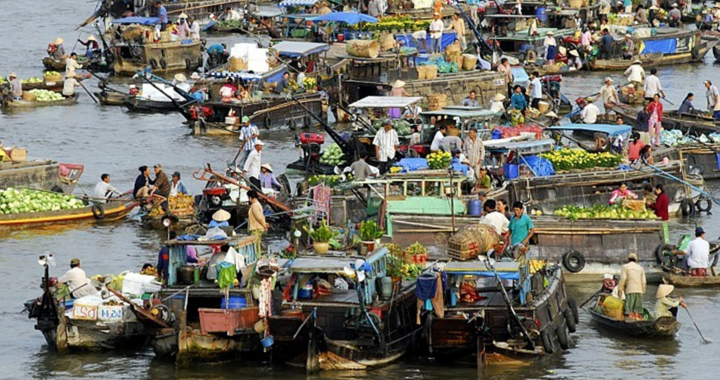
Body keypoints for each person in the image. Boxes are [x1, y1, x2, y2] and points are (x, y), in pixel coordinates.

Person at [617, 253, 646, 320]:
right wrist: (643, 290)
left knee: (628, 310)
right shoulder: (640, 268)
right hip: (639, 291)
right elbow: (643, 281)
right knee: (638, 311)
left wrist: (620, 289)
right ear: (636, 260)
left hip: (630, 290)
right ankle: (638, 319)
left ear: (628, 260)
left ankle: (628, 320)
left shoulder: (625, 267)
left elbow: (623, 279)